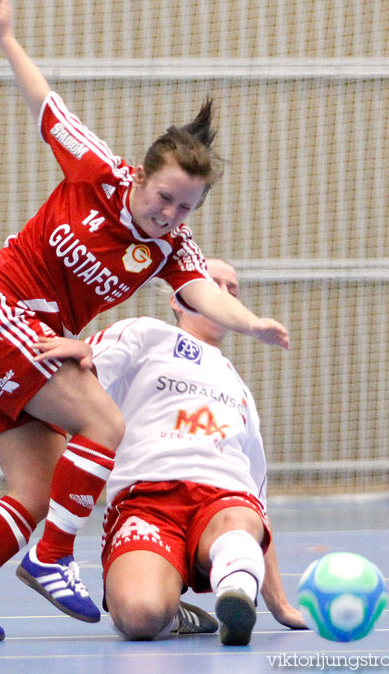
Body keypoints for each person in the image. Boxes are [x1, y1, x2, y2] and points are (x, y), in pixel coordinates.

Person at [0, 0, 289, 642]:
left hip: (33, 346)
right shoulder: (97, 172)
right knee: (105, 422)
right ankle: (52, 557)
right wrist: (6, 39)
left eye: (187, 208)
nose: (172, 215)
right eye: (166, 198)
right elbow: (44, 105)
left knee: (37, 491)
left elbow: (205, 293)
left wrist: (251, 322)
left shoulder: (169, 247)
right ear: (143, 177)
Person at [35, 259, 306, 645]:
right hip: (146, 501)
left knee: (239, 522)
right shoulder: (147, 334)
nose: (225, 294)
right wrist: (76, 351)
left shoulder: (241, 391)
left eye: (233, 289)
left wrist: (279, 603)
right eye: (214, 285)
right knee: (139, 617)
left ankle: (238, 595)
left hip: (223, 501)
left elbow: (257, 511)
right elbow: (84, 373)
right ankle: (171, 608)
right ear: (180, 298)